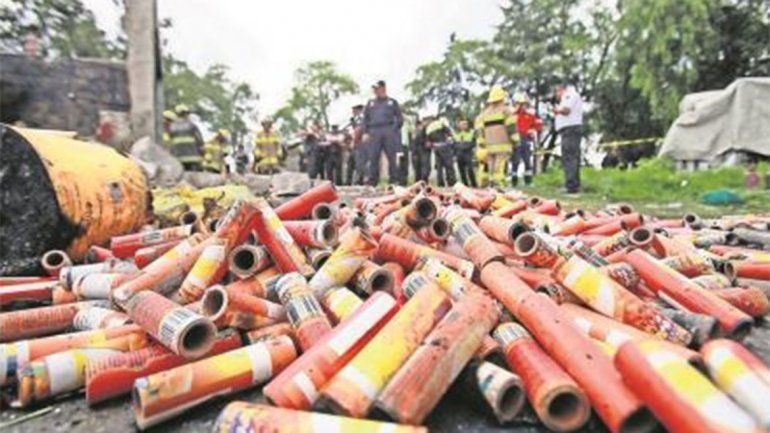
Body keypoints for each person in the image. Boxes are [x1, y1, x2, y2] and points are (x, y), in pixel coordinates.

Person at [474, 86, 517, 187]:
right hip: (503, 144)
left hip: (489, 145)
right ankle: (499, 185)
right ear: (502, 98)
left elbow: (479, 130)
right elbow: (511, 127)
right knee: (500, 166)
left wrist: (481, 143)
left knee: (491, 166)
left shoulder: (484, 114)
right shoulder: (506, 111)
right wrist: (515, 140)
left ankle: (491, 184)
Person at [363, 80, 404, 186]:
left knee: (391, 156)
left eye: (377, 89)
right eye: (374, 89)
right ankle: (373, 181)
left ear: (383, 88)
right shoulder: (370, 103)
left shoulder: (392, 102)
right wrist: (366, 132)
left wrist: (393, 129)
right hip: (374, 131)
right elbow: (365, 119)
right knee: (373, 157)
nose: (375, 91)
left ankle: (394, 180)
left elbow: (400, 119)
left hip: (388, 130)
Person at [554, 83, 584, 194]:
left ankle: (571, 185)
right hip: (569, 130)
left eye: (557, 92)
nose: (556, 95)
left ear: (561, 89)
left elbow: (566, 111)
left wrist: (556, 110)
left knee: (569, 157)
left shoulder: (569, 95)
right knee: (572, 156)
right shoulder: (569, 97)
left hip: (570, 129)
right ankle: (574, 184)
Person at [511, 93, 542, 187]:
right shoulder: (512, 116)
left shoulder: (531, 115)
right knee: (515, 160)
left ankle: (528, 181)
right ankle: (514, 181)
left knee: (527, 160)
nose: (522, 106)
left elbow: (538, 126)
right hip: (516, 139)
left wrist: (533, 131)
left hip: (526, 139)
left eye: (524, 104)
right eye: (520, 104)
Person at [168, 104, 205, 171]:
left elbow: (170, 141)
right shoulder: (191, 125)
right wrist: (202, 152)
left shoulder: (171, 126)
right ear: (185, 114)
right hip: (192, 159)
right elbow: (200, 141)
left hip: (178, 158)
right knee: (192, 176)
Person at [426, 115, 456, 187]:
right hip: (444, 146)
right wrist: (450, 138)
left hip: (436, 148)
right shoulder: (440, 123)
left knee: (439, 167)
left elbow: (429, 142)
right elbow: (449, 133)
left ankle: (440, 184)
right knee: (449, 165)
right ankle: (451, 182)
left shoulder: (429, 128)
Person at [453, 118, 477, 187]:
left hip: (468, 153)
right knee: (461, 170)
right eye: (462, 124)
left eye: (466, 124)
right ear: (459, 125)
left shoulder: (472, 132)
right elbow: (453, 144)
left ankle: (474, 184)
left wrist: (466, 146)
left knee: (470, 169)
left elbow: (474, 142)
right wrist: (454, 155)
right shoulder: (456, 133)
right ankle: (465, 184)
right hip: (459, 153)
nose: (464, 125)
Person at [345, 104, 366, 185]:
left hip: (361, 145)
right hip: (353, 145)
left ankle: (359, 182)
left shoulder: (364, 120)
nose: (353, 111)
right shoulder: (352, 121)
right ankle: (348, 182)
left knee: (359, 164)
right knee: (350, 164)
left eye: (355, 109)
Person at [411, 115, 432, 183]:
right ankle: (419, 183)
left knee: (425, 169)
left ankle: (424, 182)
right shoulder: (416, 131)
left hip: (424, 151)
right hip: (417, 151)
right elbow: (414, 142)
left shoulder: (428, 130)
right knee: (418, 169)